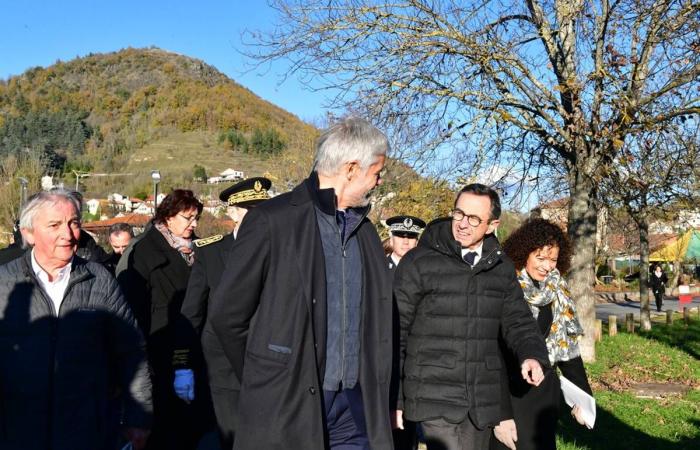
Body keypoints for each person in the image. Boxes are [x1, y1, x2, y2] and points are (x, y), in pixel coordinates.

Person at [210, 117, 394, 450]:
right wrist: (269, 376)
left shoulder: (365, 231)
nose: (378, 181)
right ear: (352, 169)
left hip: (354, 410)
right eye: (376, 172)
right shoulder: (271, 220)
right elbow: (227, 316)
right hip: (287, 406)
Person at [394, 184, 549, 450]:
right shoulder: (419, 263)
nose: (463, 224)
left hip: (480, 400)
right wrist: (394, 398)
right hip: (433, 395)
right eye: (459, 214)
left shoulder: (501, 268)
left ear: (492, 225)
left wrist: (532, 355)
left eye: (474, 219)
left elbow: (519, 321)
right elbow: (395, 332)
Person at [0, 189, 152, 450]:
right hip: (16, 431)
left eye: (74, 223)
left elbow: (131, 351)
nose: (68, 235)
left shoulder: (99, 279)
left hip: (87, 430)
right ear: (29, 233)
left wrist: (139, 418)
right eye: (55, 225)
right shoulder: (5, 283)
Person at [173, 177, 272, 450]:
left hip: (268, 367)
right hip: (224, 369)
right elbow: (190, 315)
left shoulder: (280, 251)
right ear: (232, 212)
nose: (258, 217)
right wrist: (182, 366)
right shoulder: (212, 252)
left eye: (262, 210)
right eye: (250, 210)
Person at [118, 189, 210, 450]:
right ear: (169, 217)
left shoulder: (199, 250)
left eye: (196, 218)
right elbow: (134, 304)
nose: (194, 224)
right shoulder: (144, 251)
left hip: (195, 341)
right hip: (161, 343)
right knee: (167, 422)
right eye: (188, 218)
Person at [491, 218, 592, 450]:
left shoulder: (558, 291)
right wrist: (499, 415)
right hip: (506, 394)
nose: (547, 266)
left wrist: (583, 399)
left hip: (542, 397)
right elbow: (491, 353)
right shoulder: (503, 287)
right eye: (541, 257)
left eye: (553, 259)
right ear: (524, 253)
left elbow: (567, 351)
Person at [384, 215, 425, 450]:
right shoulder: (377, 268)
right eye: (401, 235)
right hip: (383, 352)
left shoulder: (422, 272)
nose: (406, 241)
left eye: (411, 237)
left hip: (412, 356)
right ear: (392, 236)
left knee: (407, 428)